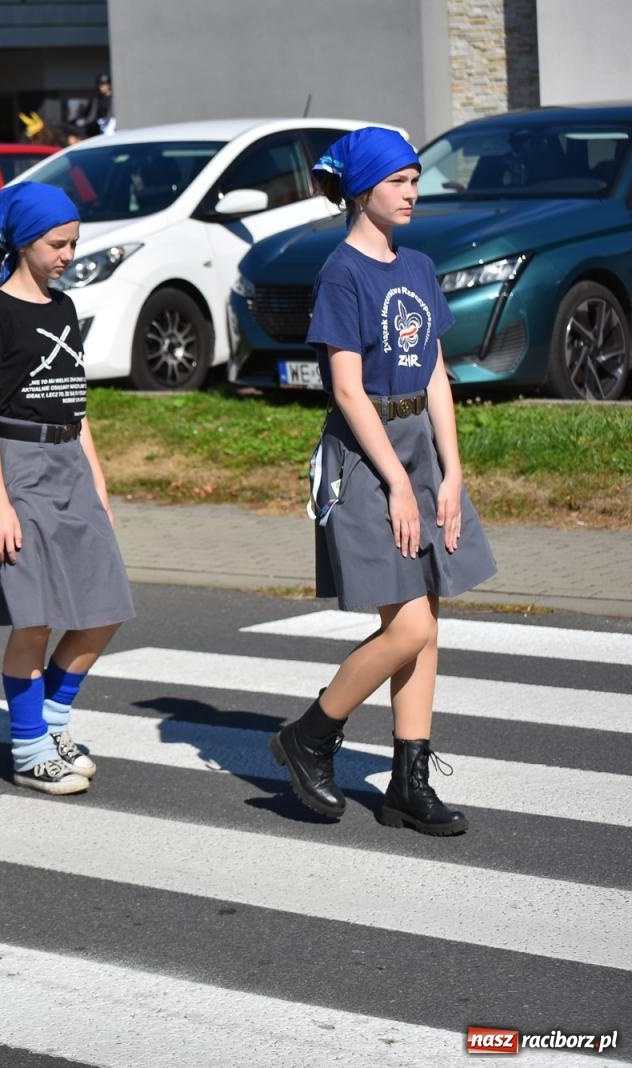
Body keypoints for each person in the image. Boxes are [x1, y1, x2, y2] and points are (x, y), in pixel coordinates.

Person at [268, 127, 496, 836]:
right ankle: (309, 736)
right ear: (362, 191)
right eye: (397, 181)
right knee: (409, 625)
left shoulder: (419, 265)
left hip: (419, 453)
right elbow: (345, 388)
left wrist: (451, 473)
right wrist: (398, 482)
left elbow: (432, 373)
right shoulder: (343, 272)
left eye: (413, 179)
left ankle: (408, 780)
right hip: (367, 462)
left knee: (426, 623)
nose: (411, 192)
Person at [0, 183, 134, 796]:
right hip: (19, 467)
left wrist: (100, 486)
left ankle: (53, 721)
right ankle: (30, 749)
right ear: (22, 242)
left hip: (69, 462)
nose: (68, 254)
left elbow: (77, 406)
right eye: (58, 244)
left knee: (103, 607)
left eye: (73, 243)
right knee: (32, 619)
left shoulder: (62, 309)